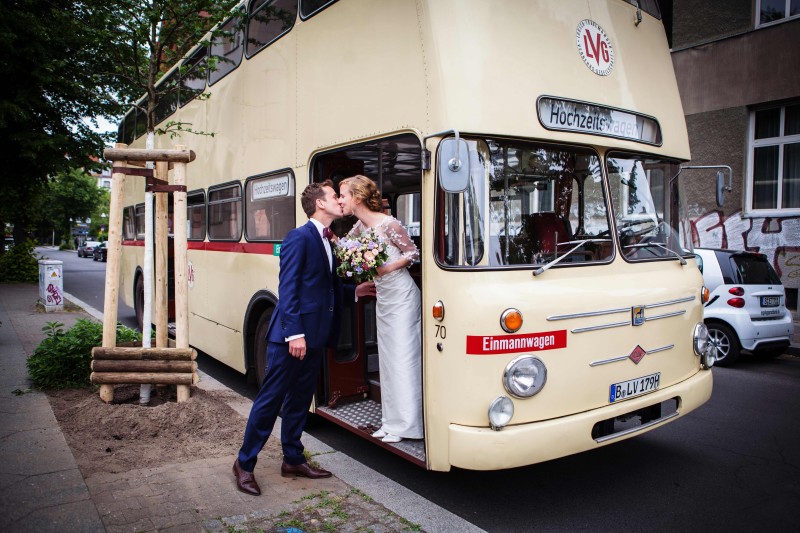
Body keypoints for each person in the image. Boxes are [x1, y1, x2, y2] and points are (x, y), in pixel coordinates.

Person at [233, 180, 344, 496]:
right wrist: (294, 333)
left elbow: (324, 287)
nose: (338, 200)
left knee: (299, 401)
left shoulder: (328, 240)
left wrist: (355, 290)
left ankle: (293, 459)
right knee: (270, 402)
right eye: (334, 196)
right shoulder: (299, 237)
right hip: (291, 339)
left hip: (315, 337)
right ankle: (244, 464)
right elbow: (289, 287)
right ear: (320, 204)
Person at [337, 175, 423, 444]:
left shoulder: (389, 223)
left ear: (358, 197)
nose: (341, 201)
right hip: (384, 299)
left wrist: (386, 268)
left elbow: (413, 253)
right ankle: (390, 422)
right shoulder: (359, 227)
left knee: (402, 360)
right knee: (387, 361)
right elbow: (343, 249)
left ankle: (407, 425)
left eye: (343, 195)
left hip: (402, 296)